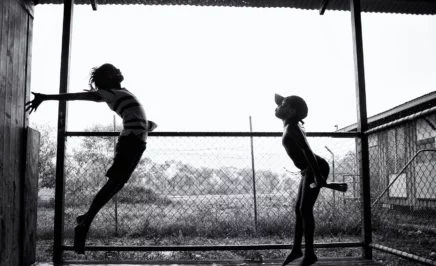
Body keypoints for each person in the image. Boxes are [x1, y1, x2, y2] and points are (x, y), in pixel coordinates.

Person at [25, 63, 157, 254]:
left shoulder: (122, 92)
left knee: (117, 184)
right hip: (130, 142)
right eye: (113, 70)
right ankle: (85, 221)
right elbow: (77, 97)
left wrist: (146, 124)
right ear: (108, 78)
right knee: (114, 183)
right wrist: (46, 97)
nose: (118, 71)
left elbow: (134, 114)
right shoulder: (108, 93)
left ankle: (85, 218)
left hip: (137, 142)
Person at [274, 93, 329, 266]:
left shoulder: (293, 128)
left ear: (291, 111)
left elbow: (308, 152)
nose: (277, 107)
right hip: (309, 170)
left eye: (282, 105)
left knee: (305, 209)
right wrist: (282, 102)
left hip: (315, 168)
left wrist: (319, 177)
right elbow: (280, 104)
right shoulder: (290, 124)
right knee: (299, 209)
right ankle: (297, 249)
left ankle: (309, 254)